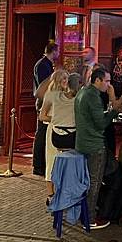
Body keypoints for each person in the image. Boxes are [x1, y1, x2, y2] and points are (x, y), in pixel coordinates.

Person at [75, 67, 118, 229]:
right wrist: (113, 112)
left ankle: (83, 213)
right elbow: (101, 124)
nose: (109, 85)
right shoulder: (93, 96)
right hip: (94, 145)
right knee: (94, 181)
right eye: (107, 81)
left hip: (82, 143)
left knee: (86, 181)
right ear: (98, 80)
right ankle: (90, 217)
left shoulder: (82, 92)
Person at [39, 69, 69, 203]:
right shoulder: (50, 95)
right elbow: (42, 116)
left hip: (67, 132)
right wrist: (56, 118)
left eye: (67, 79)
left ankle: (63, 191)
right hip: (53, 130)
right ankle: (50, 194)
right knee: (51, 161)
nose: (66, 81)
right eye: (64, 79)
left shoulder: (68, 95)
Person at [32, 41, 59, 177]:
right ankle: (38, 165)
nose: (58, 54)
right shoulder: (42, 65)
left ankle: (42, 163)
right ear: (53, 51)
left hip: (47, 102)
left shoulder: (47, 64)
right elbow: (43, 86)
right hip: (43, 102)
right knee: (41, 133)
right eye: (57, 51)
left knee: (44, 133)